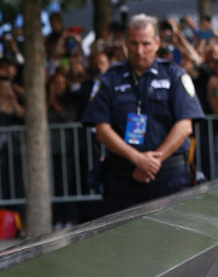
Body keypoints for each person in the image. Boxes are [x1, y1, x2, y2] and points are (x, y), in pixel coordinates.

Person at [81, 14, 205, 215]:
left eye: (146, 44)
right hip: (123, 177)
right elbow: (102, 129)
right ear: (125, 44)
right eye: (134, 43)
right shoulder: (109, 79)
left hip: (169, 176)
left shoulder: (175, 75)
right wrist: (138, 159)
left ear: (157, 43)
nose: (139, 50)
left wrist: (153, 162)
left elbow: (185, 125)